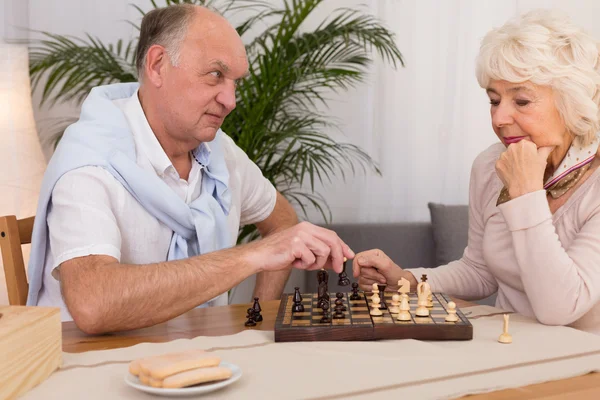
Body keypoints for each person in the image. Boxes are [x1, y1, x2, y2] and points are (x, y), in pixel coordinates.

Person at [26, 4, 354, 333]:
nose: (231, 100)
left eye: (235, 82)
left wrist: (261, 316)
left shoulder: (220, 152)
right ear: (157, 65)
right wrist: (253, 255)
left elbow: (282, 221)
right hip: (91, 368)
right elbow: (93, 304)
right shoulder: (88, 164)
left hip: (201, 360)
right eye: (216, 75)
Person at [353, 9, 600, 334]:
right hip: (509, 348)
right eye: (494, 101)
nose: (499, 119)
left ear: (572, 102)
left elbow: (560, 307)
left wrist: (526, 194)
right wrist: (408, 280)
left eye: (522, 101)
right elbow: (480, 270)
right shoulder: (489, 165)